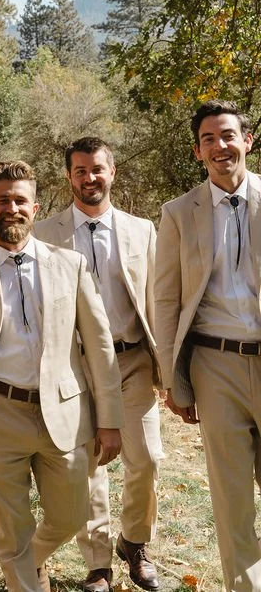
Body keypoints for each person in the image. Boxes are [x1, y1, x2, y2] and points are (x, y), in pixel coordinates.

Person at [0, 160, 123, 591]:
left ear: (35, 207)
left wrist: (110, 419)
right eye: (3, 200)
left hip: (64, 412)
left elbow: (98, 347)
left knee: (71, 515)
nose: (12, 208)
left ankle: (27, 561)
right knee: (11, 530)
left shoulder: (70, 265)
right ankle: (22, 576)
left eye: (20, 200)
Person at [34, 138, 163, 592]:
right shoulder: (46, 234)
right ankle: (98, 563)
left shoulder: (142, 230)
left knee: (145, 460)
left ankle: (135, 541)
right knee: (91, 465)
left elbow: (156, 301)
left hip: (132, 363)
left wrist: (165, 366)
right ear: (69, 176)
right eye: (81, 170)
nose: (90, 178)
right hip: (77, 367)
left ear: (112, 173)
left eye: (98, 169)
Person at [156, 100, 261, 591]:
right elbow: (166, 299)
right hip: (215, 364)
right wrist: (172, 380)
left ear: (247, 140)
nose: (220, 147)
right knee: (231, 493)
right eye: (208, 140)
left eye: (227, 136)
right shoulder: (178, 213)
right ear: (198, 152)